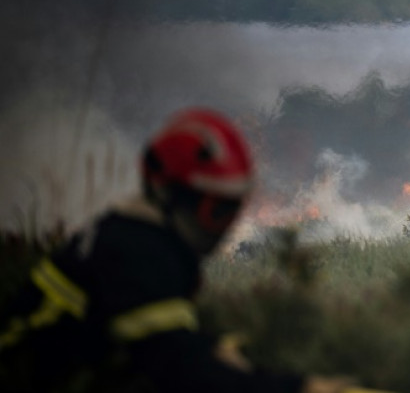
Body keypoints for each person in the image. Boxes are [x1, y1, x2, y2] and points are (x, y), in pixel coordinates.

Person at [0, 108, 353, 393]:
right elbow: (181, 373)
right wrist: (303, 388)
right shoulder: (137, 254)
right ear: (173, 198)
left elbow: (155, 349)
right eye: (216, 212)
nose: (224, 228)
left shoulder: (130, 234)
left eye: (233, 210)